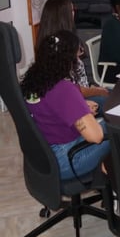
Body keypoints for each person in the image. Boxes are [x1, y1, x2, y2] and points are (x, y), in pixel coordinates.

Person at [20, 30, 110, 180]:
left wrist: (80, 108)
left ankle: (105, 169)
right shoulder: (64, 89)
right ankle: (113, 175)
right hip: (67, 160)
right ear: (69, 59)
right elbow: (96, 137)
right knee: (117, 127)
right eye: (77, 54)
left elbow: (49, 108)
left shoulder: (34, 79)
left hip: (43, 157)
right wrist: (86, 115)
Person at [36, 0, 109, 114]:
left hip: (79, 95)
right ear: (63, 17)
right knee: (113, 103)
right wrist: (97, 91)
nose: (74, 14)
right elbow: (70, 90)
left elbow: (77, 80)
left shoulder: (50, 42)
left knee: (115, 96)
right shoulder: (58, 48)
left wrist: (93, 88)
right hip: (74, 102)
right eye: (72, 11)